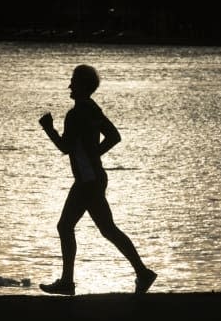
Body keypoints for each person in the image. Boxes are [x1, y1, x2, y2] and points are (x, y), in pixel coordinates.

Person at [38, 64, 157, 295]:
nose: (69, 85)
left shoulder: (75, 115)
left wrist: (48, 128)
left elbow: (65, 147)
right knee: (108, 229)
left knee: (66, 226)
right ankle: (142, 273)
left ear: (82, 86)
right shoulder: (93, 109)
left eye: (73, 81)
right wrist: (95, 154)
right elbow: (114, 136)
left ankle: (67, 282)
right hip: (96, 177)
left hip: (86, 181)